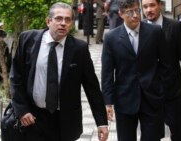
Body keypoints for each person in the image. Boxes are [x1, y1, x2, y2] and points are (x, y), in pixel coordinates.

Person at [10, 2, 108, 141]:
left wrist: (101, 122)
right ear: (48, 21)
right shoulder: (27, 40)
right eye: (58, 18)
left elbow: (92, 88)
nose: (63, 23)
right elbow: (16, 77)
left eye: (68, 20)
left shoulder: (79, 49)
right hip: (32, 117)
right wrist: (22, 110)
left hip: (65, 121)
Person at [101, 0, 172, 140]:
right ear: (120, 14)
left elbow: (166, 64)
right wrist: (108, 102)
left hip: (152, 98)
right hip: (124, 99)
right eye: (129, 12)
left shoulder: (155, 32)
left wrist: (162, 90)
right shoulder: (111, 38)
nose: (135, 15)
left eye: (137, 10)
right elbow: (107, 73)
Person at [141, 0, 181, 141]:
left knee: (177, 130)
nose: (149, 10)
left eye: (152, 5)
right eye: (145, 7)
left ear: (160, 5)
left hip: (173, 90)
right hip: (149, 94)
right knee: (150, 135)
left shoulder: (174, 26)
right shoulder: (139, 28)